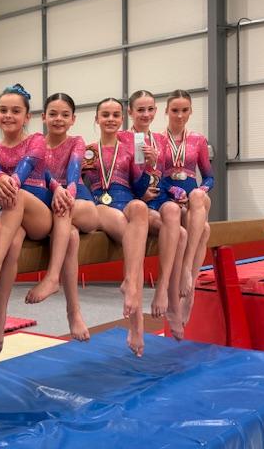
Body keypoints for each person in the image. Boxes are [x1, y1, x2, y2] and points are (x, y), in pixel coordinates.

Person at [0, 84, 52, 353]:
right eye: (3, 110)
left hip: (39, 216)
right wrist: (0, 177)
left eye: (16, 111)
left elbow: (26, 166)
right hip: (13, 216)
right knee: (12, 245)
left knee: (16, 196)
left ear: (27, 116)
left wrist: (10, 181)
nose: (8, 115)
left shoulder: (36, 140)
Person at [24, 92, 98, 341]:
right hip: (54, 207)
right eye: (53, 114)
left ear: (73, 119)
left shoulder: (77, 142)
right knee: (71, 238)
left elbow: (74, 173)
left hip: (80, 203)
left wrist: (67, 193)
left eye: (65, 115)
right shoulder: (36, 144)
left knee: (64, 208)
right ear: (43, 117)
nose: (59, 119)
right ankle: (74, 313)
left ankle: (52, 276)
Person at [83, 97, 153, 357]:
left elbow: (140, 188)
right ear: (97, 118)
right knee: (134, 243)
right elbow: (76, 185)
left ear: (122, 120)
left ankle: (130, 284)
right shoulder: (87, 151)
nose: (110, 119)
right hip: (100, 206)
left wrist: (148, 166)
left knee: (140, 208)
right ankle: (137, 323)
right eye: (105, 115)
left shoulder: (131, 150)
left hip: (127, 202)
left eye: (115, 115)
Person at [127, 90, 187, 340]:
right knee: (181, 235)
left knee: (173, 209)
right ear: (130, 112)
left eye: (150, 109)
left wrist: (176, 191)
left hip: (158, 198)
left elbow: (162, 178)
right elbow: (122, 180)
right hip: (137, 201)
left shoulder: (160, 140)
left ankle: (163, 289)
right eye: (140, 110)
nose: (146, 114)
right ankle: (170, 302)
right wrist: (142, 192)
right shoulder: (123, 139)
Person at [162, 89, 213, 328]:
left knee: (197, 196)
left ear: (191, 111)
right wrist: (172, 190)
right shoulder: (158, 139)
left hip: (194, 197)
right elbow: (153, 175)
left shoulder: (198, 140)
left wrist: (201, 189)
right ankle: (188, 294)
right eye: (175, 110)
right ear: (167, 111)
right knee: (205, 230)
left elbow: (210, 177)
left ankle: (187, 270)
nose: (180, 115)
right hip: (169, 195)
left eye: (185, 110)